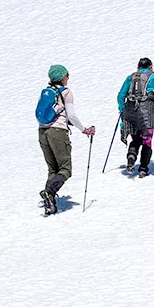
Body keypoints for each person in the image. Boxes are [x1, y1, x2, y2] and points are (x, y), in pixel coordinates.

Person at [37, 65, 95, 215]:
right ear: (61, 77)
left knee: (52, 169)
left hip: (42, 132)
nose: (68, 77)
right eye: (66, 74)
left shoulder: (46, 92)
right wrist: (84, 129)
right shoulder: (66, 92)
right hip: (58, 132)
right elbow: (71, 115)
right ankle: (49, 192)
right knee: (65, 169)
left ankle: (49, 202)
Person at [117, 58, 154, 177]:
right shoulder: (153, 77)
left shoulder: (131, 77)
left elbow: (120, 95)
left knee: (135, 138)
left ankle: (131, 158)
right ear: (150, 66)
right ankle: (143, 168)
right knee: (146, 140)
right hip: (146, 111)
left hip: (131, 111)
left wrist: (123, 110)